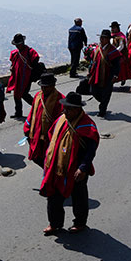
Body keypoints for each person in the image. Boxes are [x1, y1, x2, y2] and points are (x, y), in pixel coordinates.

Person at [39, 91, 99, 235]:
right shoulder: (61, 120)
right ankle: (55, 224)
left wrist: (83, 168)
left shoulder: (87, 126)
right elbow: (51, 136)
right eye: (64, 108)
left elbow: (91, 150)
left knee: (79, 196)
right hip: (58, 166)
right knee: (53, 196)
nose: (65, 111)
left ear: (78, 109)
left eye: (68, 109)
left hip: (76, 168)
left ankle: (79, 223)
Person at [23, 73, 63, 166]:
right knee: (37, 158)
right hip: (36, 133)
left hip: (49, 137)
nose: (43, 89)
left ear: (53, 86)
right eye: (42, 87)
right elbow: (32, 113)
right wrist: (27, 127)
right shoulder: (38, 96)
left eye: (46, 87)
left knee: (50, 161)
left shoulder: (60, 100)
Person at [85, 29, 122, 118]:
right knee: (94, 91)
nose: (102, 39)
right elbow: (92, 61)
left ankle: (102, 110)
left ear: (108, 39)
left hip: (108, 75)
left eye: (104, 38)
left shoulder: (113, 51)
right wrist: (90, 72)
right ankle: (103, 102)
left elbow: (117, 65)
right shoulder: (97, 49)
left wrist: (115, 75)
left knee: (106, 92)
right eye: (101, 37)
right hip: (96, 74)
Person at [7, 34, 41, 118]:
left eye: (18, 44)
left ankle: (38, 107)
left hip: (27, 77)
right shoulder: (15, 53)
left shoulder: (30, 52)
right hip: (17, 77)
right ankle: (18, 112)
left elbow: (35, 63)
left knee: (24, 94)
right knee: (16, 95)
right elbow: (13, 63)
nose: (17, 46)